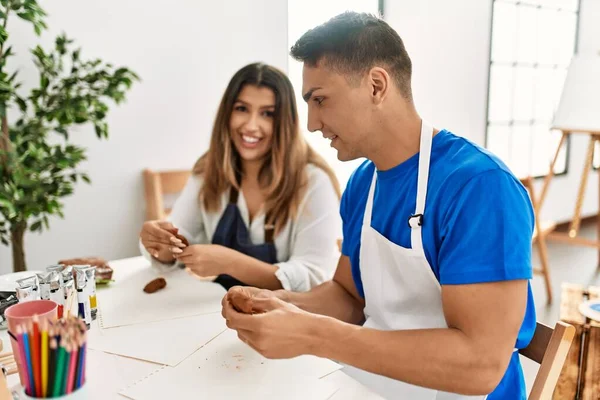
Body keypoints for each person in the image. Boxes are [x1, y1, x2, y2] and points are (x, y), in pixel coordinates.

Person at [222, 12, 536, 400]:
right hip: (369, 386)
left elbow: (480, 366)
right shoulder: (363, 184)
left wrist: (313, 334)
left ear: (375, 85)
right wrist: (284, 304)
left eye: (319, 100)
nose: (312, 123)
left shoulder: (479, 188)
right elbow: (350, 297)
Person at [139, 63, 342, 292]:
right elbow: (176, 242)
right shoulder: (208, 171)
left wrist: (230, 263)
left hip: (287, 320)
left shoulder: (314, 182)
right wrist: (160, 244)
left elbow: (313, 275)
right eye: (241, 109)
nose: (251, 125)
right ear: (227, 113)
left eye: (267, 113)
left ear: (285, 122)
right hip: (219, 313)